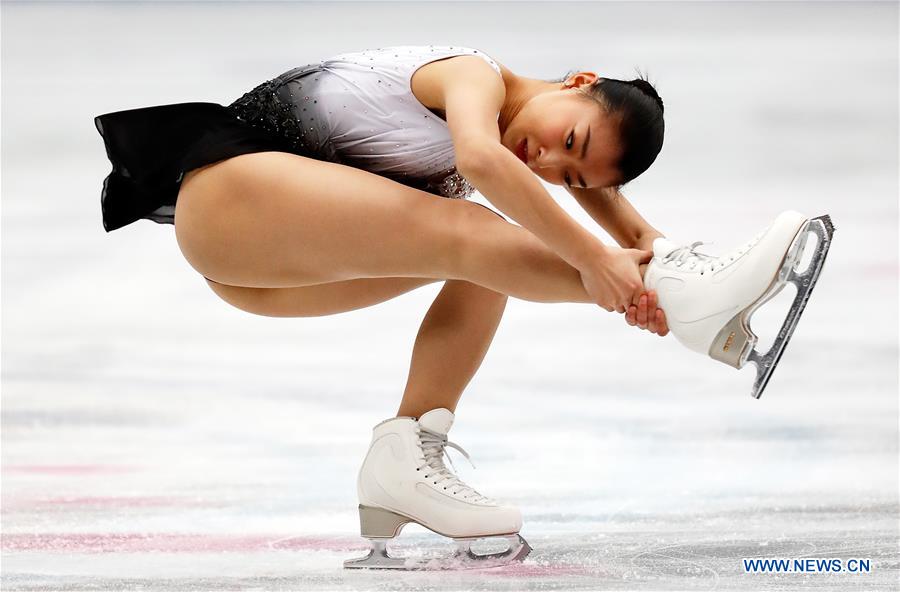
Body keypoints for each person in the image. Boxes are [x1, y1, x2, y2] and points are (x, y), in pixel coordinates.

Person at [95, 45, 670, 569]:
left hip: (262, 272)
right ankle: (690, 299)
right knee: (474, 230)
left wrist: (657, 265)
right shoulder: (475, 75)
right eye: (568, 142)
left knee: (486, 264)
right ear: (580, 82)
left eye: (565, 175)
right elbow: (479, 161)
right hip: (229, 195)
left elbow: (631, 228)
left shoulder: (541, 140)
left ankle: (404, 454)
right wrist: (603, 265)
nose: (544, 161)